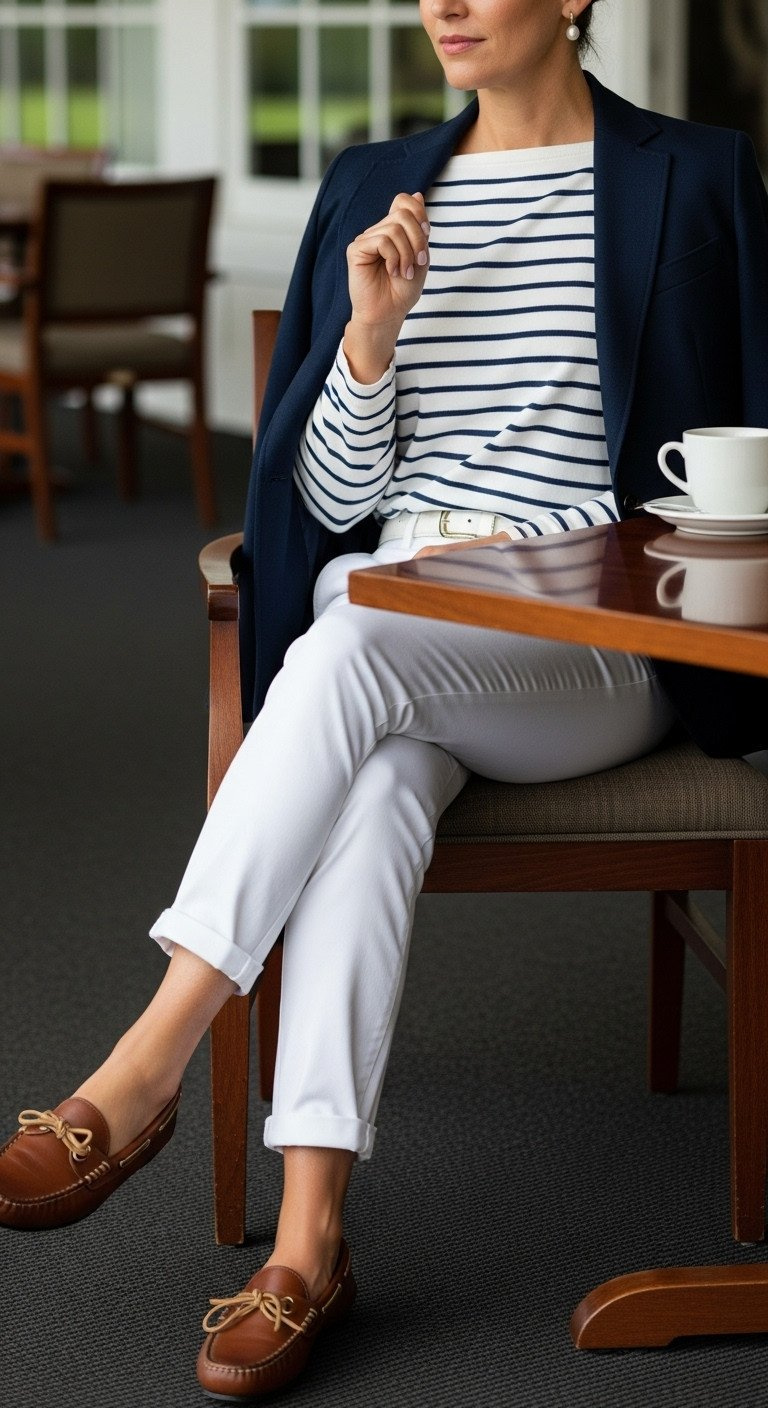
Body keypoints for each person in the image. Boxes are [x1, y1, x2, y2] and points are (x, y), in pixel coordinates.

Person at [2, 0, 768, 1400]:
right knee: (369, 749)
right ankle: (308, 1244)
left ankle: (149, 1060)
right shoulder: (372, 187)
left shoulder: (696, 172)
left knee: (347, 653)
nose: (447, 5)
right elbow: (329, 505)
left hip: (590, 629)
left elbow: (755, 424)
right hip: (404, 607)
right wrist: (366, 343)